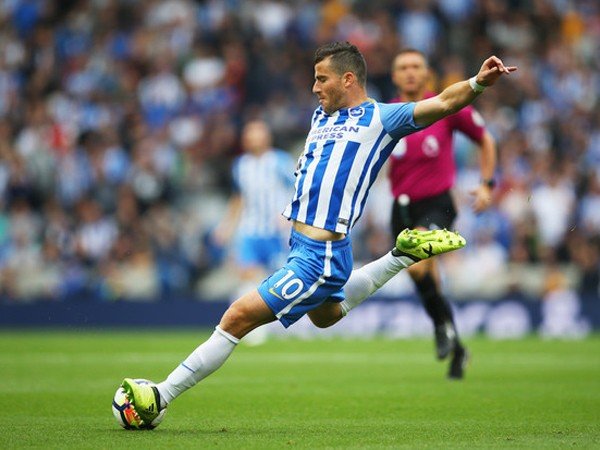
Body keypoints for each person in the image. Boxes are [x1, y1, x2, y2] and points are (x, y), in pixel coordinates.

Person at [121, 42, 515, 425]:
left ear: (347, 79)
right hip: (304, 248)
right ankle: (401, 257)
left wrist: (478, 82)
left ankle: (160, 395)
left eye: (321, 79)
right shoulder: (321, 117)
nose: (314, 88)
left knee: (237, 317)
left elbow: (443, 103)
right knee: (326, 316)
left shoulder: (380, 119)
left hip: (320, 255)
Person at [387, 49, 498, 379]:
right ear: (394, 76)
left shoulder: (446, 105)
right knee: (424, 276)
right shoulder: (387, 113)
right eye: (402, 67)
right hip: (400, 207)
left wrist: (487, 184)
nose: (409, 72)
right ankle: (456, 344)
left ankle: (441, 330)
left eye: (415, 67)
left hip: (438, 202)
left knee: (418, 266)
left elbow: (486, 139)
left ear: (427, 74)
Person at [214, 119, 296, 344]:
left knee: (280, 278)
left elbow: (298, 190)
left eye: (257, 133)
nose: (252, 138)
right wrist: (226, 226)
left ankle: (284, 326)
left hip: (276, 231)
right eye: (249, 134)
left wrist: (288, 216)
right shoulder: (240, 165)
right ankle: (252, 328)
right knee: (248, 274)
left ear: (266, 136)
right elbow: (238, 198)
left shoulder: (280, 161)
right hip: (250, 230)